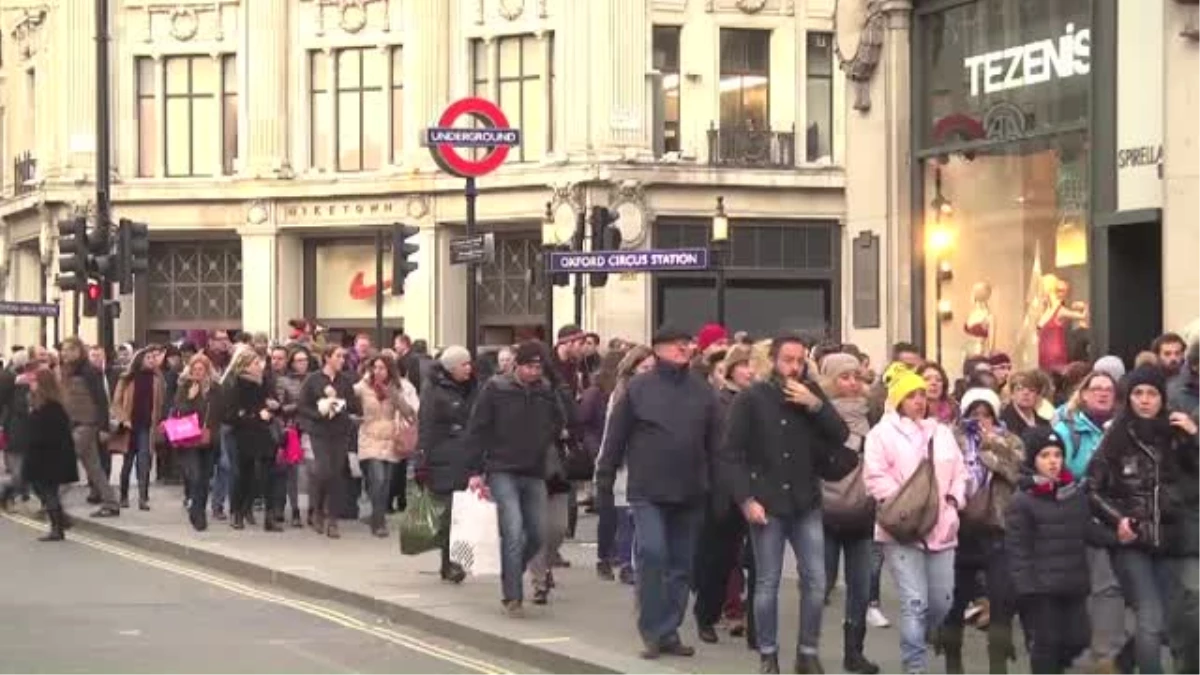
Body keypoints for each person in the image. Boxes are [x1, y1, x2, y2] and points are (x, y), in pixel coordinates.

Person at [721, 335, 851, 675]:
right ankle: (768, 654)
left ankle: (807, 652)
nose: (794, 366)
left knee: (816, 580)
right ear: (772, 361)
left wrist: (816, 405)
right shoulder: (751, 398)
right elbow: (731, 454)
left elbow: (839, 434)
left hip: (805, 500)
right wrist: (746, 499)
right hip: (767, 502)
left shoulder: (811, 394)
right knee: (767, 582)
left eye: (800, 360)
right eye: (787, 359)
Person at [596, 325, 721, 660]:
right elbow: (615, 439)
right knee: (653, 555)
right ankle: (651, 630)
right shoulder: (638, 388)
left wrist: (718, 486)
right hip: (648, 490)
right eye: (677, 344)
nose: (685, 349)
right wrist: (603, 481)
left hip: (692, 490)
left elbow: (716, 444)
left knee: (682, 565)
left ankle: (669, 631)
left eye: (688, 344)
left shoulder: (703, 390)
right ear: (659, 349)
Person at [1088, 365, 1200, 675]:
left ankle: (1120, 665)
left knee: (1165, 621)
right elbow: (1093, 489)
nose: (1145, 400)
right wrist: (1119, 520)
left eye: (1152, 393)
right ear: (1129, 398)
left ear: (1163, 399)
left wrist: (1194, 436)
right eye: (1138, 393)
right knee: (1150, 617)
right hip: (1133, 540)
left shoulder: (1176, 433)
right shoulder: (1117, 434)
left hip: (1170, 540)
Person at [863, 364, 967, 675]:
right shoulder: (881, 434)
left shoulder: (943, 432)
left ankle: (920, 638)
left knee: (942, 602)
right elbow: (874, 477)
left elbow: (960, 473)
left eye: (922, 394)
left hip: (942, 527)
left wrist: (952, 501)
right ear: (897, 399)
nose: (919, 400)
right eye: (911, 395)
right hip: (901, 528)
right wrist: (907, 504)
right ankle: (915, 667)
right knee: (914, 602)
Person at [466, 341, 565, 617]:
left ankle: (512, 569)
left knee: (537, 534)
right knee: (513, 529)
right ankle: (513, 596)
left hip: (534, 470)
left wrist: (544, 438)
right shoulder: (496, 388)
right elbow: (477, 429)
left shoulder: (546, 391)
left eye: (539, 367)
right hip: (502, 469)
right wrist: (475, 471)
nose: (535, 372)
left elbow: (561, 420)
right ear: (517, 366)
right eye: (530, 366)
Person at [943, 387, 1025, 675]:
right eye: (974, 414)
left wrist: (990, 448)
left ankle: (998, 664)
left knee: (1002, 601)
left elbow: (1017, 472)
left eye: (987, 414)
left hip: (997, 531)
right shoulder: (951, 438)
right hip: (960, 531)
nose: (981, 420)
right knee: (954, 601)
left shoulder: (1009, 440)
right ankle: (953, 663)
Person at [1005, 427, 1091, 675]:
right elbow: (1017, 548)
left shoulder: (1074, 493)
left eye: (1057, 454)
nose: (1053, 461)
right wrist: (1026, 587)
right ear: (1033, 460)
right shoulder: (1023, 500)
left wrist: (1120, 534)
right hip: (1041, 588)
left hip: (1073, 582)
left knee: (1078, 640)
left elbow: (1087, 529)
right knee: (1047, 645)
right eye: (1045, 455)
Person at [817, 352, 882, 675]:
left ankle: (853, 652)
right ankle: (808, 649)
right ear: (829, 380)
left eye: (856, 376)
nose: (852, 383)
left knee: (860, 586)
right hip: (824, 510)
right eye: (844, 377)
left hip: (862, 511)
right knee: (819, 584)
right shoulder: (816, 414)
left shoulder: (871, 414)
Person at [417, 345, 477, 583]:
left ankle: (457, 560)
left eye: (470, 363)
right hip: (443, 458)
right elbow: (427, 426)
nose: (469, 368)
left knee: (463, 514)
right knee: (450, 514)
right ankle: (449, 563)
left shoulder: (473, 387)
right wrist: (422, 459)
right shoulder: (434, 391)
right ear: (452, 367)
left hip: (467, 456)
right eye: (464, 364)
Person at [298, 344, 360, 538]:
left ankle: (332, 519)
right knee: (323, 471)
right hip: (320, 431)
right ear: (327, 358)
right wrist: (319, 412)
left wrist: (339, 401)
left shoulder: (345, 380)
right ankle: (317, 510)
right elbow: (302, 405)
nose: (342, 360)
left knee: (336, 474)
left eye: (343, 357)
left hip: (340, 431)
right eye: (338, 356)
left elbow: (353, 405)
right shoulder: (313, 379)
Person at [354, 355, 416, 537]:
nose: (378, 371)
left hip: (390, 439)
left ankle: (376, 515)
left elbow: (409, 413)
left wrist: (394, 396)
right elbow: (350, 394)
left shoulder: (397, 388)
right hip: (369, 437)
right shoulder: (364, 387)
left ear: (389, 370)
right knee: (378, 479)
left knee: (385, 484)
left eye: (382, 368)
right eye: (376, 367)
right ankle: (379, 522)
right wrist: (364, 379)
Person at [58, 337, 119, 518]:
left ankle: (52, 501)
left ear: (78, 350)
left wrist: (104, 427)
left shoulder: (90, 371)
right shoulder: (69, 370)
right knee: (93, 467)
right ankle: (111, 502)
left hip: (86, 425)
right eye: (63, 350)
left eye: (68, 349)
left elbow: (101, 400)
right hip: (76, 423)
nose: (64, 353)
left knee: (66, 460)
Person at [226, 348, 282, 532]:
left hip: (264, 433)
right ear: (245, 366)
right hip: (244, 434)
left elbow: (272, 402)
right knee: (245, 475)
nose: (260, 366)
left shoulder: (265, 381)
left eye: (259, 363)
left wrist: (274, 405)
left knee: (269, 475)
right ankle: (238, 513)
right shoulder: (236, 384)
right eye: (255, 363)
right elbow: (232, 415)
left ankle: (270, 517)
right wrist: (257, 415)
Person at [21, 368, 77, 541]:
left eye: (34, 381)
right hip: (43, 455)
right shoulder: (40, 404)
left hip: (49, 456)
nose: (31, 385)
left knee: (48, 490)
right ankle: (61, 520)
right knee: (40, 488)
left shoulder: (51, 407)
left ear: (43, 384)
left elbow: (47, 434)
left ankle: (57, 528)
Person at [111, 346, 166, 511]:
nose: (152, 360)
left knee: (144, 462)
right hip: (129, 426)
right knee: (127, 463)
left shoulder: (157, 380)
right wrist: (123, 419)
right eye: (148, 358)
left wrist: (157, 423)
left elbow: (160, 403)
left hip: (146, 426)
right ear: (140, 359)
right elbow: (116, 402)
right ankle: (123, 496)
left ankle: (143, 498)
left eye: (153, 358)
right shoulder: (126, 378)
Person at [172, 354, 221, 531]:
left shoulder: (215, 388)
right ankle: (197, 510)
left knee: (205, 477)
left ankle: (198, 510)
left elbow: (220, 412)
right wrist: (191, 398)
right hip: (189, 438)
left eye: (201, 369)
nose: (198, 372)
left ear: (207, 370)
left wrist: (216, 433)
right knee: (195, 475)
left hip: (209, 438)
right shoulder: (184, 386)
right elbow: (179, 410)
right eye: (195, 369)